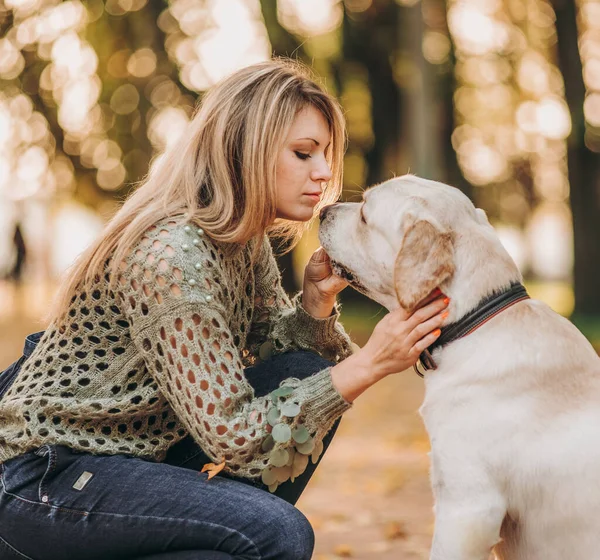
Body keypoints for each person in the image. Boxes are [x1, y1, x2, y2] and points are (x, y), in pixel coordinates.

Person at [0, 58, 449, 560]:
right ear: (244, 150)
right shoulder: (171, 256)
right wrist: (367, 366)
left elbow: (274, 362)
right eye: (303, 153)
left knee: (304, 376)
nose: (324, 173)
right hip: (47, 478)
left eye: (324, 153)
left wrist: (316, 307)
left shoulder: (241, 240)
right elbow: (233, 432)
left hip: (141, 455)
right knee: (276, 533)